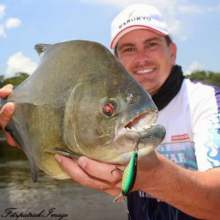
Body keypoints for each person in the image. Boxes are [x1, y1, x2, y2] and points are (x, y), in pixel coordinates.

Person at [1, 4, 220, 220]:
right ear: (116, 61)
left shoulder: (208, 101)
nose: (141, 58)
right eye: (129, 49)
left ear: (171, 52)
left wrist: (154, 176)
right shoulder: (115, 120)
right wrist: (21, 128)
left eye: (151, 44)